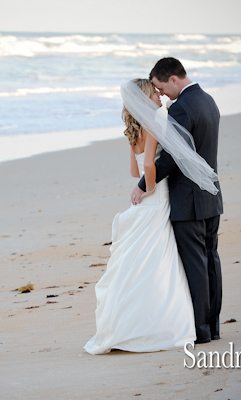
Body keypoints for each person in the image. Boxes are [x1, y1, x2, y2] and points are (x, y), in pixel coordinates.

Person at [84, 79, 196, 355]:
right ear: (146, 98)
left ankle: (128, 324)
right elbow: (147, 167)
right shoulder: (154, 124)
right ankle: (160, 322)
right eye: (155, 94)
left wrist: (143, 183)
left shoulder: (131, 131)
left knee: (141, 259)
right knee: (160, 257)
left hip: (146, 201)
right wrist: (150, 187)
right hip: (156, 198)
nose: (159, 97)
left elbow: (134, 171)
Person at [131, 57, 223, 344]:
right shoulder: (208, 100)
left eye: (160, 87)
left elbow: (173, 157)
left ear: (173, 78)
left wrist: (144, 185)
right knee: (211, 262)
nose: (161, 95)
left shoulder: (182, 108)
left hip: (189, 201)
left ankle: (201, 331)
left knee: (196, 266)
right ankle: (213, 327)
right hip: (211, 197)